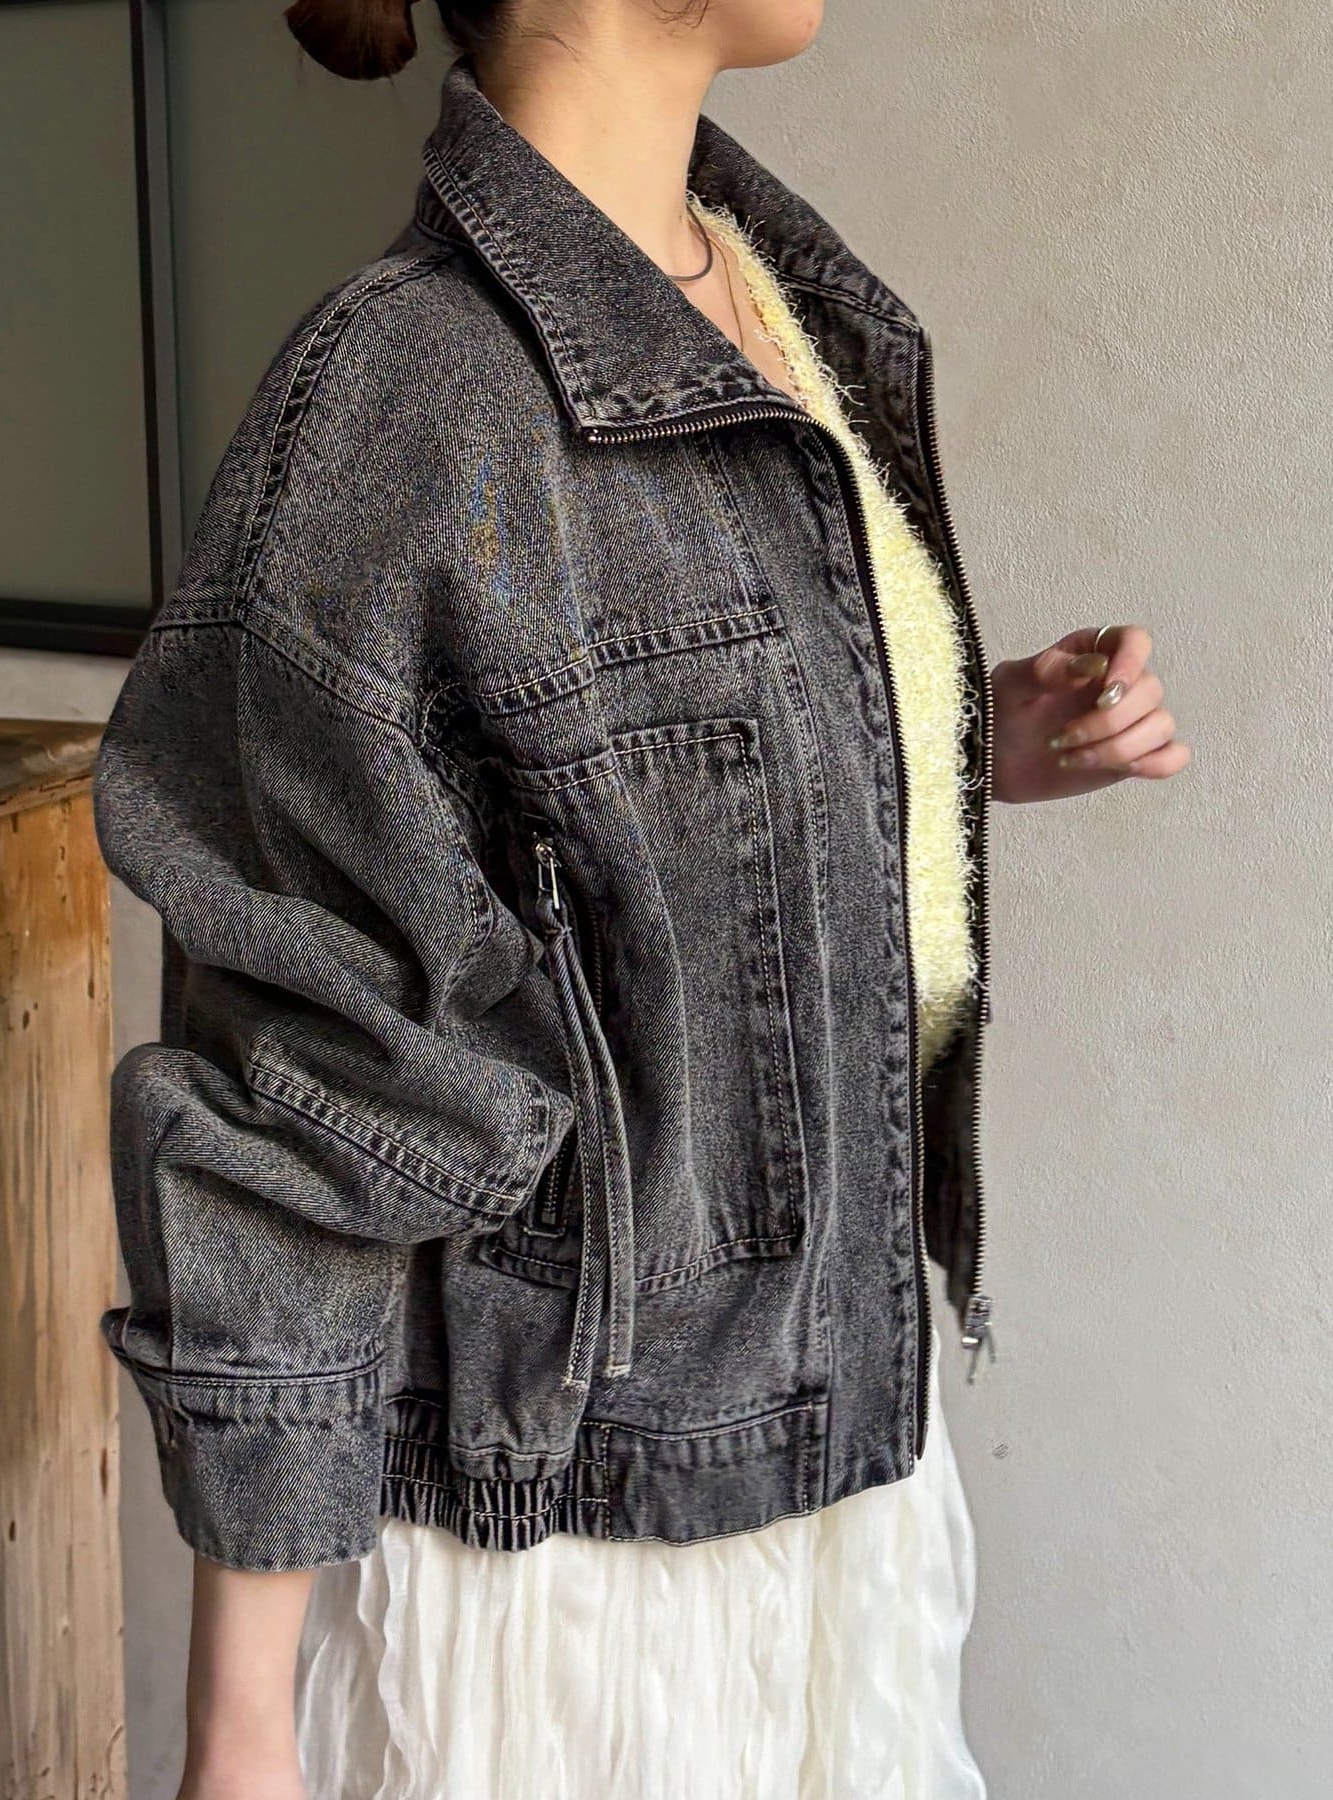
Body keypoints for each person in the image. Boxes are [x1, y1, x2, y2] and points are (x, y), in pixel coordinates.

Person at [91, 5, 1191, 1797]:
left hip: (846, 1455)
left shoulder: (769, 286)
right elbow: (307, 1083)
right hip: (582, 1572)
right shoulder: (412, 394)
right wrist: (242, 1735)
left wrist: (953, 736)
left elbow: (633, 798)